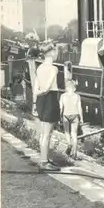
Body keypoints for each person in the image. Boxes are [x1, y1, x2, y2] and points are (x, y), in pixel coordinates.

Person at [34, 40, 61, 171]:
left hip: (41, 101)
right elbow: (45, 88)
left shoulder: (39, 68)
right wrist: (45, 90)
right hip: (50, 100)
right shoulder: (53, 69)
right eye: (56, 51)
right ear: (51, 53)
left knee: (44, 133)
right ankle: (44, 162)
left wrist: (40, 95)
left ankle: (44, 158)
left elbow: (36, 91)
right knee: (47, 134)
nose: (57, 53)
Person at [59, 80, 83, 160]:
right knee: (74, 134)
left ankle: (69, 144)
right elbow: (80, 108)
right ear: (74, 89)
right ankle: (75, 154)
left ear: (67, 88)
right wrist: (81, 118)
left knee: (66, 132)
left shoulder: (63, 96)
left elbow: (61, 108)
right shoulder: (77, 96)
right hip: (75, 115)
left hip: (66, 115)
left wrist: (59, 117)